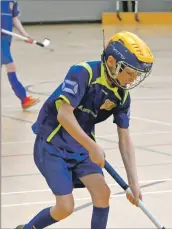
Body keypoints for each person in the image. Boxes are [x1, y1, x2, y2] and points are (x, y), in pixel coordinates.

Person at [15, 31, 154, 229]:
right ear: (113, 62)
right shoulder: (83, 73)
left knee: (102, 194)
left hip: (81, 147)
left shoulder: (122, 96)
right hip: (52, 144)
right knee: (65, 207)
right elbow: (64, 115)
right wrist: (92, 146)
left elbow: (125, 139)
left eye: (136, 75)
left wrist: (134, 183)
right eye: (130, 73)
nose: (132, 80)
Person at [1, 0, 40, 109]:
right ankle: (24, 99)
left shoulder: (12, 1)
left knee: (10, 68)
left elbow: (14, 18)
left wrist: (25, 35)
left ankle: (24, 100)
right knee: (11, 67)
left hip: (6, 38)